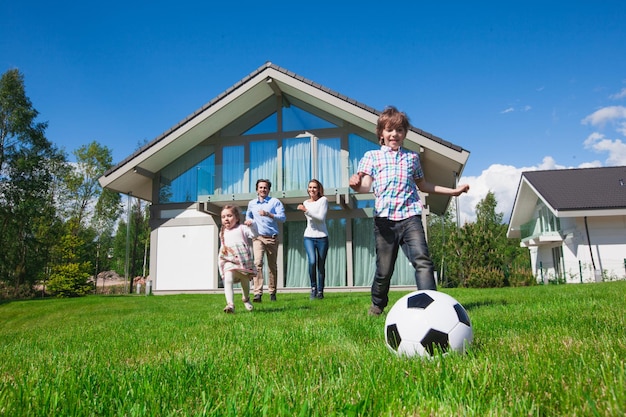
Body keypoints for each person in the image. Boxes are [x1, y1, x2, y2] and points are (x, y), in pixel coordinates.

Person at [349, 106, 470, 316]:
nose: (394, 134)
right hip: (384, 221)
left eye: (399, 130)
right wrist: (355, 185)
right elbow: (366, 186)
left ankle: (433, 307)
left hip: (410, 217)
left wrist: (453, 192)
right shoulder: (372, 157)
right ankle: (377, 305)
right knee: (384, 270)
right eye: (389, 130)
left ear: (405, 133)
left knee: (423, 260)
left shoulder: (412, 158)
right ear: (381, 134)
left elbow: (424, 186)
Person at [246, 179, 286, 302]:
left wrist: (269, 214)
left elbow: (283, 218)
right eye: (260, 187)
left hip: (272, 238)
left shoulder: (275, 202)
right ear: (257, 189)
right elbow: (248, 215)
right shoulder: (252, 203)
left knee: (272, 266)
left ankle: (272, 292)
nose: (263, 189)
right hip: (258, 237)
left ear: (269, 190)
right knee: (257, 263)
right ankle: (257, 293)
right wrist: (248, 220)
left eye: (265, 188)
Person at [218, 205, 258, 313]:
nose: (226, 219)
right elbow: (223, 247)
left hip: (242, 262)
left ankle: (246, 298)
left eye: (229, 216)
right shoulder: (222, 233)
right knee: (228, 279)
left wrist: (252, 225)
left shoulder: (242, 228)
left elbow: (255, 234)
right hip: (229, 261)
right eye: (223, 217)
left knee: (245, 282)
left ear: (237, 218)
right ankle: (230, 304)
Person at [297, 179, 329, 300]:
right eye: (310, 187)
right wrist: (307, 209)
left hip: (322, 237)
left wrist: (306, 211)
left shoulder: (323, 200)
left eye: (315, 187)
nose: (312, 190)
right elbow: (311, 220)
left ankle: (320, 291)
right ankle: (313, 288)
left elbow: (320, 218)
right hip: (309, 237)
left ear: (319, 189)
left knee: (321, 265)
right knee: (312, 261)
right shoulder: (306, 202)